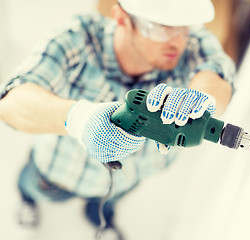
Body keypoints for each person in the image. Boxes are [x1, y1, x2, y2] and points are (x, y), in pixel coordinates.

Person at [0, 0, 235, 239]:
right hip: (59, 174)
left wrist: (203, 100)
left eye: (185, 28)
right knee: (33, 186)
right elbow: (11, 103)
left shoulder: (193, 43)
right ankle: (26, 198)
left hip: (125, 180)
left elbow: (216, 72)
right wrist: (79, 118)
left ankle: (101, 215)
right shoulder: (77, 39)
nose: (178, 41)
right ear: (122, 18)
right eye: (162, 27)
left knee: (106, 204)